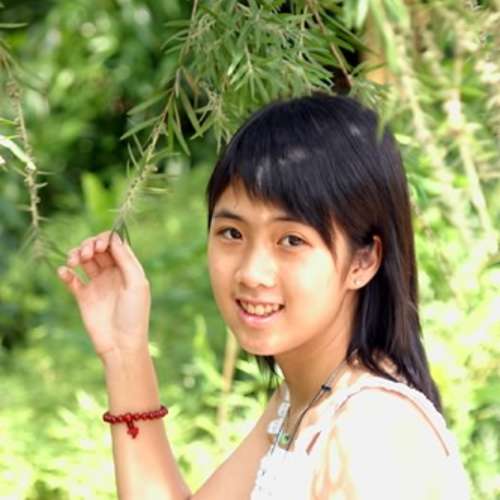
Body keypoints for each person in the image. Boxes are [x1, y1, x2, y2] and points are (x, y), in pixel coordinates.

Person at [57, 94, 470, 499]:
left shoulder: (372, 429)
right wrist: (125, 352)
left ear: (363, 260)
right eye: (232, 233)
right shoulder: (304, 402)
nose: (252, 273)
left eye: (291, 240)